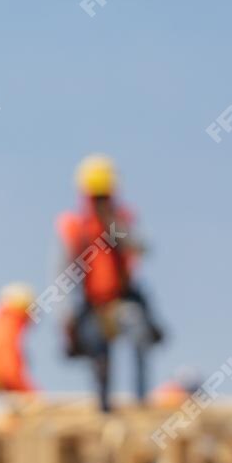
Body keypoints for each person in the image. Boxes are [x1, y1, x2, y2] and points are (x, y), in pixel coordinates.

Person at [57, 153, 168, 412]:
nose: (100, 202)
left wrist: (114, 225)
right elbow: (63, 273)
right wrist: (67, 315)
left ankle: (142, 402)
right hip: (94, 305)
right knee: (99, 355)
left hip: (122, 300)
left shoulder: (120, 221)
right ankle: (104, 408)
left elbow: (141, 247)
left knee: (142, 337)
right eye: (96, 197)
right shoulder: (76, 227)